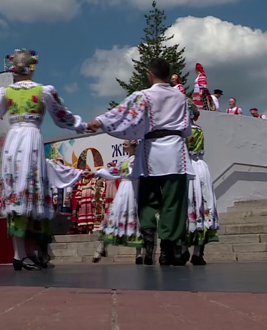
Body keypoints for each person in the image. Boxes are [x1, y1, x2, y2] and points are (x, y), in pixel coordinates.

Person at [0, 49, 89, 271]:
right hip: (32, 141)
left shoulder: (5, 92)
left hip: (13, 143)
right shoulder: (44, 91)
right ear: (33, 67)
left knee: (19, 193)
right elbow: (62, 116)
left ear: (13, 68)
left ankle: (22, 253)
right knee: (29, 193)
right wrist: (83, 125)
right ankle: (24, 254)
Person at [87, 58, 192, 266]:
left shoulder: (143, 96)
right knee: (173, 202)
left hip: (151, 152)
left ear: (150, 75)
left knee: (148, 200)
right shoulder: (181, 97)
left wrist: (99, 121)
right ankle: (168, 248)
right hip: (174, 150)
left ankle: (150, 245)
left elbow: (121, 111)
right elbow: (187, 128)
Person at [92, 140, 143, 264]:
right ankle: (102, 247)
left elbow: (135, 173)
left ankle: (139, 253)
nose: (124, 145)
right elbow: (114, 172)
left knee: (134, 216)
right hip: (122, 190)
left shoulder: (137, 159)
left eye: (126, 144)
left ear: (133, 145)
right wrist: (97, 172)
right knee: (113, 216)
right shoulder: (124, 160)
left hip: (132, 188)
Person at [183, 102, 219, 265]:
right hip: (201, 167)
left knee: (188, 202)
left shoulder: (184, 132)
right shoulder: (199, 130)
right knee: (203, 203)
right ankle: (198, 252)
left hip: (188, 167)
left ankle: (183, 249)